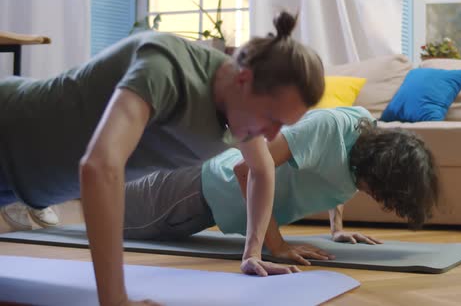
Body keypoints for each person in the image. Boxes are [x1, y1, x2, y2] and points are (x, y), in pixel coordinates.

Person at [0, 11, 324, 305]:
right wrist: (115, 300)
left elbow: (262, 169)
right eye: (271, 118)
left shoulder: (242, 114)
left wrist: (256, 251)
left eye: (282, 125)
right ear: (244, 80)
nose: (271, 135)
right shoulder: (165, 66)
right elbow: (100, 167)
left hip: (28, 185)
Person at [122, 106, 439, 264]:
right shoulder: (329, 128)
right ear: (374, 166)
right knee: (104, 210)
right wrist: (276, 246)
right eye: (377, 190)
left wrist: (336, 229)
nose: (372, 195)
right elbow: (245, 169)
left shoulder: (365, 139)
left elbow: (333, 177)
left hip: (210, 208)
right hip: (195, 190)